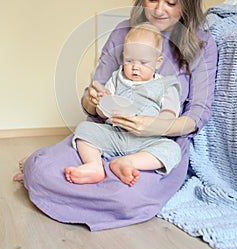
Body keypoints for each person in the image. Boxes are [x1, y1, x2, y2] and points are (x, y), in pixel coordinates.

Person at [13, 0, 218, 231]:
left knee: (125, 197)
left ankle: (82, 182)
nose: (159, 10)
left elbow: (198, 113)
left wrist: (155, 125)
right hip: (107, 134)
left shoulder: (201, 44)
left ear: (188, 2)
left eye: (171, 2)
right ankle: (55, 170)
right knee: (42, 170)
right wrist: (91, 99)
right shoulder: (123, 32)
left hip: (152, 146)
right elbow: (93, 101)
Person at [64, 24, 182, 186]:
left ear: (158, 62)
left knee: (172, 150)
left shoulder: (166, 85)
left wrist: (152, 123)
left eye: (143, 62)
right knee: (85, 129)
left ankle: (128, 162)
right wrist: (101, 102)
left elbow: (170, 115)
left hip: (148, 140)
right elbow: (102, 113)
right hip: (115, 134)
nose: (135, 67)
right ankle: (94, 165)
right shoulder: (116, 78)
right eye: (129, 60)